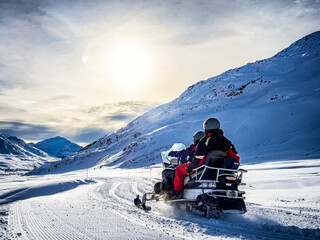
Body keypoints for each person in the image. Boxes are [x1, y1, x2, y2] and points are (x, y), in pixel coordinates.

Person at [172, 118, 239, 199]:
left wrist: (190, 167)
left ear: (207, 127)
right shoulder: (227, 142)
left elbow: (198, 158)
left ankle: (177, 193)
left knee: (178, 170)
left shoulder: (204, 141)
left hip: (203, 168)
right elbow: (235, 157)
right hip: (219, 169)